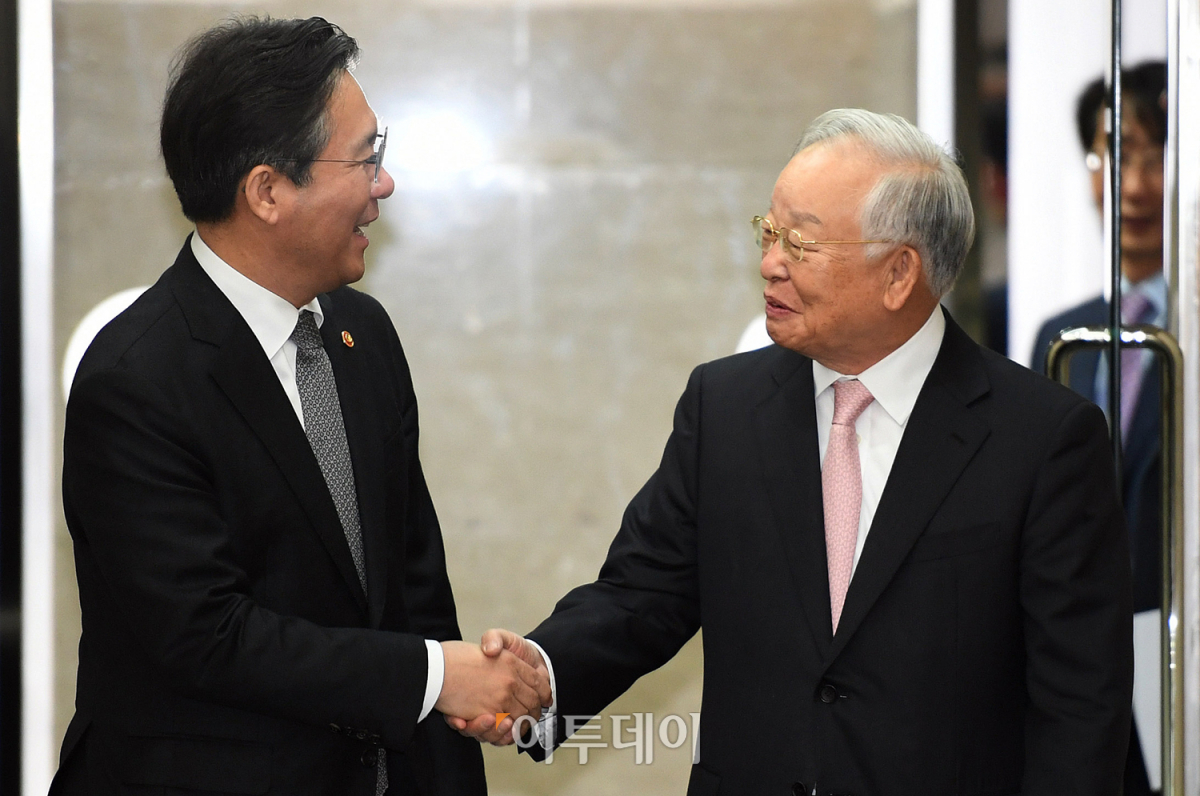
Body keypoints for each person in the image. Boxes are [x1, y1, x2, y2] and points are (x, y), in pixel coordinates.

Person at [448, 109, 1134, 793]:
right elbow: (641, 594)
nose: (769, 264)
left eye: (800, 242)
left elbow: (1079, 710)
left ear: (900, 273)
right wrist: (539, 677)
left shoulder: (1042, 440)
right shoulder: (726, 408)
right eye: (769, 232)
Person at [51, 16, 548, 796]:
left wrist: (457, 702)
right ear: (268, 191)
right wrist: (431, 676)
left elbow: (413, 594)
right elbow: (206, 636)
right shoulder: (136, 377)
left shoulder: (362, 334)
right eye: (365, 158)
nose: (384, 184)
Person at [1029, 61, 1166, 796]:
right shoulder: (1063, 339)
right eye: (1118, 154)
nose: (1136, 185)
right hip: (1083, 677)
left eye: (1159, 155)